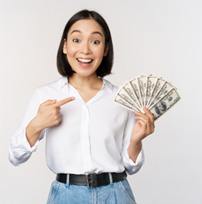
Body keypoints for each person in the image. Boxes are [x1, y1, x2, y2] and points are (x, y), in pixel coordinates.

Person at [8, 9, 155, 204]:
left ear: (105, 49)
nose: (85, 50)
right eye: (77, 40)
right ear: (65, 46)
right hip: (66, 196)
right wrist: (37, 124)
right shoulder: (45, 95)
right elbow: (15, 156)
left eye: (95, 41)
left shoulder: (121, 99)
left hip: (116, 195)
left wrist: (136, 140)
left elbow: (132, 167)